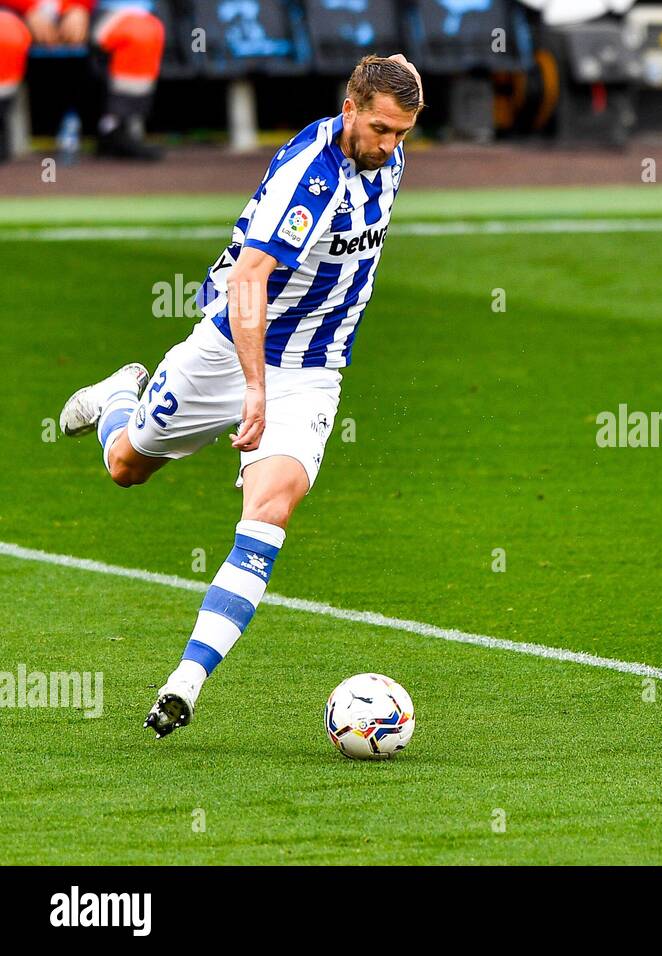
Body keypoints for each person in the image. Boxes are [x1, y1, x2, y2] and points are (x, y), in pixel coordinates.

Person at [56, 54, 424, 737]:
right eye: (380, 129)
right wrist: (254, 390)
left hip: (313, 367)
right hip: (230, 347)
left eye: (402, 133)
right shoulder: (309, 180)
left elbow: (395, 68)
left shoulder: (383, 145)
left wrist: (402, 69)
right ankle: (115, 398)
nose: (390, 146)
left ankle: (184, 684)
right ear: (349, 111)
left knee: (270, 509)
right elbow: (248, 285)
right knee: (126, 467)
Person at [0, 0, 165, 160]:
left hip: (89, 10)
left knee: (142, 31)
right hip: (12, 9)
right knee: (4, 34)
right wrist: (29, 7)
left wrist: (77, 6)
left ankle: (116, 129)